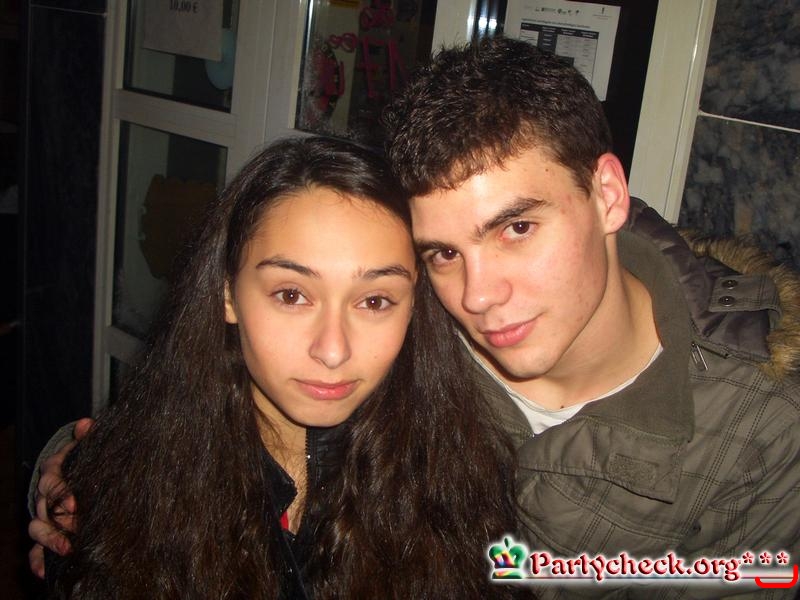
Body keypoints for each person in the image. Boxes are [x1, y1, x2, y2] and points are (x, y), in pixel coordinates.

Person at [381, 36, 800, 597]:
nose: (477, 297)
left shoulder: (763, 428)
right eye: (444, 253)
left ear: (607, 195)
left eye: (517, 228)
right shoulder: (393, 338)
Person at [33, 135, 519, 599]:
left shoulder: (465, 474)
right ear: (228, 293)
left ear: (413, 307)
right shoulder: (127, 487)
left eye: (374, 301)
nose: (333, 351)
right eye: (291, 295)